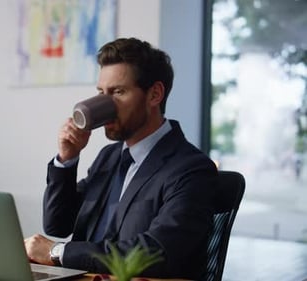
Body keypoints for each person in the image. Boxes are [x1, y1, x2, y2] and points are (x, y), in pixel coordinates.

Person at [24, 37, 217, 280]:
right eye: (101, 93)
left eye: (118, 92)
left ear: (155, 94)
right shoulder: (110, 157)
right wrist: (67, 160)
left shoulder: (191, 169)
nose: (105, 104)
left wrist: (57, 252)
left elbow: (156, 253)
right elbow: (58, 225)